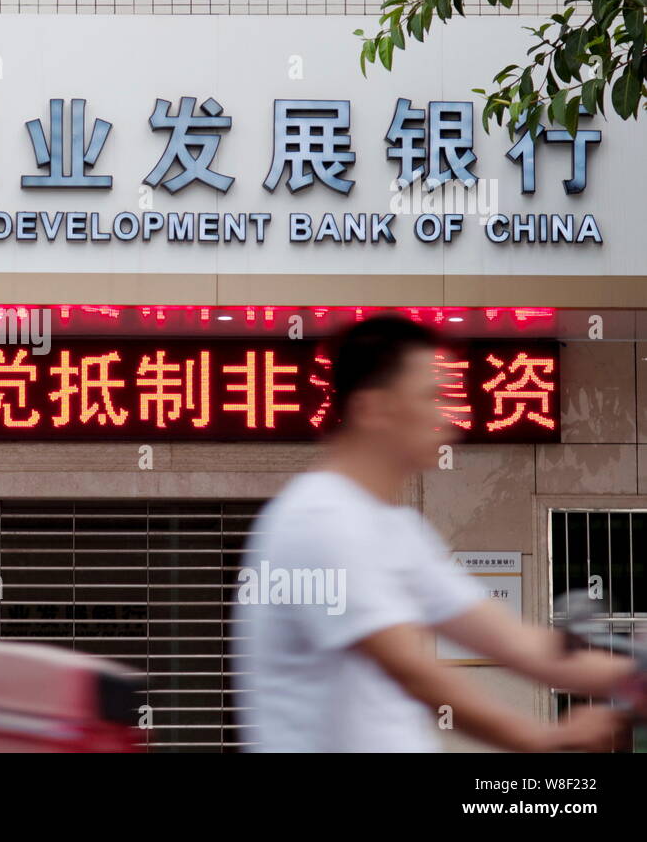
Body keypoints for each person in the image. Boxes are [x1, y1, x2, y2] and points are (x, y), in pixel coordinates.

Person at [234, 315, 634, 752]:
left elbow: (516, 643)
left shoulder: (399, 530)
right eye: (432, 397)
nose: (451, 417)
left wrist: (633, 673)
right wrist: (541, 738)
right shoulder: (319, 520)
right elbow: (410, 668)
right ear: (374, 409)